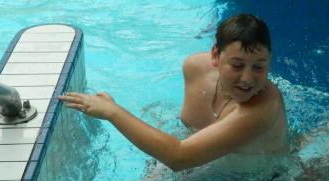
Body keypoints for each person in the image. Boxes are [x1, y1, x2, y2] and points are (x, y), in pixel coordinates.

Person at [60, 13, 288, 171]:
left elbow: (179, 158)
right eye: (237, 65)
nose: (247, 78)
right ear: (215, 56)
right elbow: (187, 136)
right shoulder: (196, 69)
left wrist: (112, 112)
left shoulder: (263, 108)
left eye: (259, 67)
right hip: (207, 164)